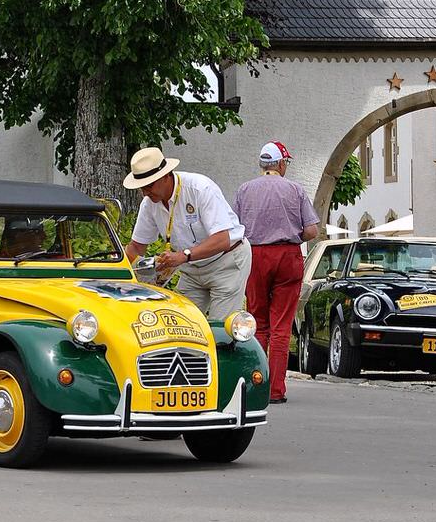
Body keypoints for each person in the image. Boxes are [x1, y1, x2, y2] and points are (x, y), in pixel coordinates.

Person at [235, 141, 320, 404]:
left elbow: (236, 229)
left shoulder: (244, 190)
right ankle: (276, 390)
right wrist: (292, 232)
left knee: (258, 323)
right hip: (287, 256)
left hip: (256, 256)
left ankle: (256, 385)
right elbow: (312, 231)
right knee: (281, 326)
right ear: (281, 164)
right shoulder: (295, 189)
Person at [123, 147, 251, 321]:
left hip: (226, 263)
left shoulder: (200, 188)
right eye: (141, 188)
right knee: (180, 325)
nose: (145, 192)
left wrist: (184, 256)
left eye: (149, 186)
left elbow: (222, 239)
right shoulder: (149, 203)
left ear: (165, 175)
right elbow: (137, 247)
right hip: (192, 269)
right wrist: (118, 269)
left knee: (220, 330)